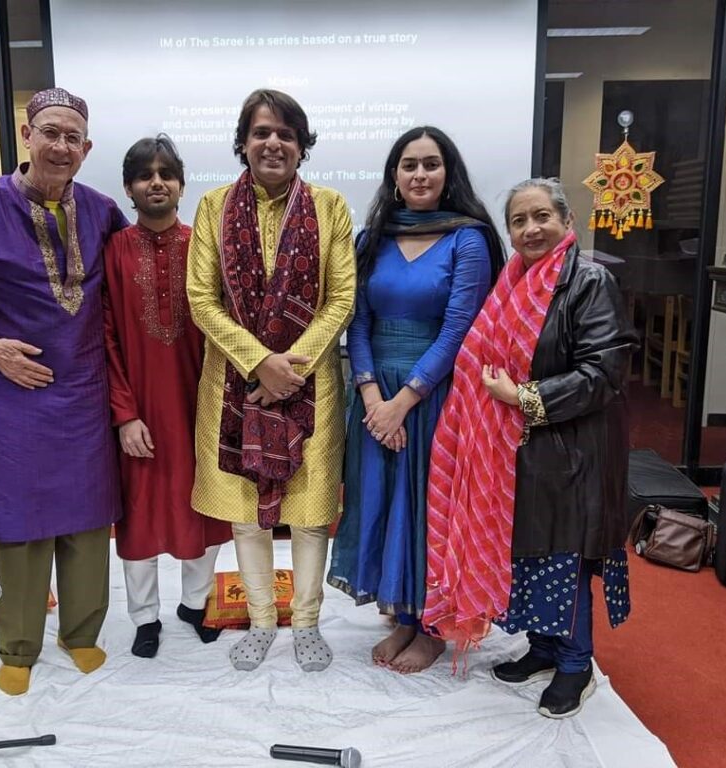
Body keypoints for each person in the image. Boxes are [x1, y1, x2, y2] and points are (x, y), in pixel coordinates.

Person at [0, 88, 128, 696]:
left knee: (89, 521)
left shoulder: (101, 210)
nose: (61, 147)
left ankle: (82, 633)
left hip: (84, 392)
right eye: (51, 133)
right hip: (9, 397)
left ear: (86, 149)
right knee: (17, 524)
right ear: (26, 136)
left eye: (73, 138)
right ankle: (18, 644)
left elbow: (118, 293)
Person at [423, 178, 638, 717]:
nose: (530, 229)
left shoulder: (588, 282)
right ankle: (542, 650)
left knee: (562, 563)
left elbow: (605, 373)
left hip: (572, 453)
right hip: (514, 453)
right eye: (518, 221)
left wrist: (524, 397)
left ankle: (575, 665)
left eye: (541, 216)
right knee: (527, 561)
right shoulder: (513, 283)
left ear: (567, 222)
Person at [186, 88, 356, 672]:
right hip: (234, 385)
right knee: (243, 511)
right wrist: (259, 363)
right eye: (261, 132)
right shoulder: (212, 208)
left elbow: (341, 301)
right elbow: (201, 301)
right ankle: (261, 620)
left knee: (309, 513)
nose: (273, 143)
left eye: (286, 133)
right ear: (242, 143)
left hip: (313, 387)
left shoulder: (331, 207)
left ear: (302, 145)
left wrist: (291, 369)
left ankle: (306, 621)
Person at [327, 127, 505, 674]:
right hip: (374, 391)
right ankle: (403, 615)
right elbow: (355, 321)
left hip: (435, 397)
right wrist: (370, 393)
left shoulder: (467, 239)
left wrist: (403, 402)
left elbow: (458, 331)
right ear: (394, 176)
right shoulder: (370, 238)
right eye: (409, 165)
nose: (420, 174)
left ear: (448, 173)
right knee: (382, 501)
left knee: (429, 508)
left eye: (431, 164)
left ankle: (431, 624)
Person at [103, 134, 232, 658]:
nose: (156, 182)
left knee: (201, 505)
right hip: (141, 408)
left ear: (180, 183)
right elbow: (105, 335)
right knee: (140, 512)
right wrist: (124, 415)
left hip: (200, 404)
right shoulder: (114, 250)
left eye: (166, 173)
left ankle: (195, 605)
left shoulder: (206, 244)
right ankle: (144, 617)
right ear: (129, 188)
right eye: (144, 174)